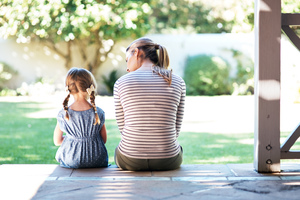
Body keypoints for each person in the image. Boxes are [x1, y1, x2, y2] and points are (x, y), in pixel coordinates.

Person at [113, 37, 186, 171]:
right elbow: (176, 129)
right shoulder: (177, 81)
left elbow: (123, 129)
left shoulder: (121, 83)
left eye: (126, 60)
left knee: (119, 150)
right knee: (178, 148)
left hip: (130, 160)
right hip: (168, 160)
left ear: (136, 53)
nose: (127, 67)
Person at [53, 67, 108, 168]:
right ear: (91, 86)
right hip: (97, 160)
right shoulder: (98, 112)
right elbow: (103, 140)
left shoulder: (63, 114)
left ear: (68, 88)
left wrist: (72, 139)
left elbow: (57, 141)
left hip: (71, 160)